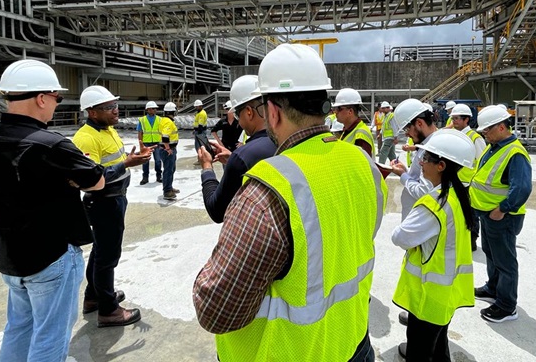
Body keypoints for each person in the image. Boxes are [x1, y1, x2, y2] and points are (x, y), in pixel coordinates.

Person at [193, 43, 387, 361]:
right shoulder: (362, 162)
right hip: (352, 341)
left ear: (272, 112)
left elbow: (216, 310)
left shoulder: (266, 191)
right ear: (325, 105)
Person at [0, 60, 105, 360]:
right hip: (49, 258)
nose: (55, 105)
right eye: (57, 98)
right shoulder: (51, 144)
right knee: (50, 338)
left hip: (10, 257)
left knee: (18, 329)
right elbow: (97, 181)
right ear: (41, 98)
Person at [392, 130, 476, 361]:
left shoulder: (433, 205)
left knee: (420, 351)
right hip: (446, 293)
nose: (421, 162)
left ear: (440, 165)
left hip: (429, 296)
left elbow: (400, 237)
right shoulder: (458, 194)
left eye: (426, 159)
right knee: (438, 347)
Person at [73, 86, 150, 328]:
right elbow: (91, 177)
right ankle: (108, 310)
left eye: (115, 106)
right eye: (109, 108)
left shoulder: (108, 130)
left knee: (100, 252)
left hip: (115, 198)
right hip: (103, 202)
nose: (116, 111)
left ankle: (94, 298)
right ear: (92, 112)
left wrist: (131, 160)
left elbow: (114, 162)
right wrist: (126, 164)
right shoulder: (86, 137)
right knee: (108, 257)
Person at [470, 105, 532, 323]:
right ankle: (493, 287)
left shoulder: (515, 153)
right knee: (491, 252)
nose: (484, 134)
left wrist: (502, 209)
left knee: (505, 261)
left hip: (502, 217)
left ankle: (506, 306)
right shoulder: (494, 146)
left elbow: (522, 188)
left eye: (487, 130)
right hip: (488, 214)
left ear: (501, 127)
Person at [389, 98, 439, 335]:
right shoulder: (429, 145)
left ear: (419, 123)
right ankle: (415, 312)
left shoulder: (433, 149)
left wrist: (402, 176)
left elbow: (427, 191)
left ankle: (421, 320)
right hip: (419, 221)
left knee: (422, 271)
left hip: (424, 224)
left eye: (408, 129)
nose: (408, 136)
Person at [198, 75, 276, 223]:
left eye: (237, 115)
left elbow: (216, 211)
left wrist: (207, 167)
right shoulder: (286, 141)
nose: (239, 122)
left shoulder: (242, 157)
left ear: (249, 112)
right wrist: (232, 156)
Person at [450, 103, 487, 251]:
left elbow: (482, 161)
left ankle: (471, 240)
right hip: (455, 181)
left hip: (469, 183)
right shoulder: (454, 135)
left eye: (457, 118)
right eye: (453, 118)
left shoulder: (475, 138)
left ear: (466, 120)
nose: (454, 121)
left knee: (470, 214)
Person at [332, 87, 375, 157]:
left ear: (350, 111)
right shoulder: (348, 130)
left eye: (339, 109)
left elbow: (364, 164)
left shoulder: (360, 134)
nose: (335, 112)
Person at [137, 101, 162, 184]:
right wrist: (141, 144)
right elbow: (140, 132)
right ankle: (145, 177)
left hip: (157, 143)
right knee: (145, 161)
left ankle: (159, 176)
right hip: (146, 143)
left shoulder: (159, 119)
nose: (155, 110)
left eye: (155, 108)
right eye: (153, 108)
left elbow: (162, 131)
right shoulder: (142, 120)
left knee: (158, 161)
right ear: (148, 109)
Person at [160, 102, 180, 201]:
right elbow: (165, 136)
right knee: (168, 170)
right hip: (167, 150)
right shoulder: (168, 122)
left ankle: (169, 187)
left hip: (167, 149)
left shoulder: (164, 120)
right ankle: (167, 191)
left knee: (171, 169)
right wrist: (168, 148)